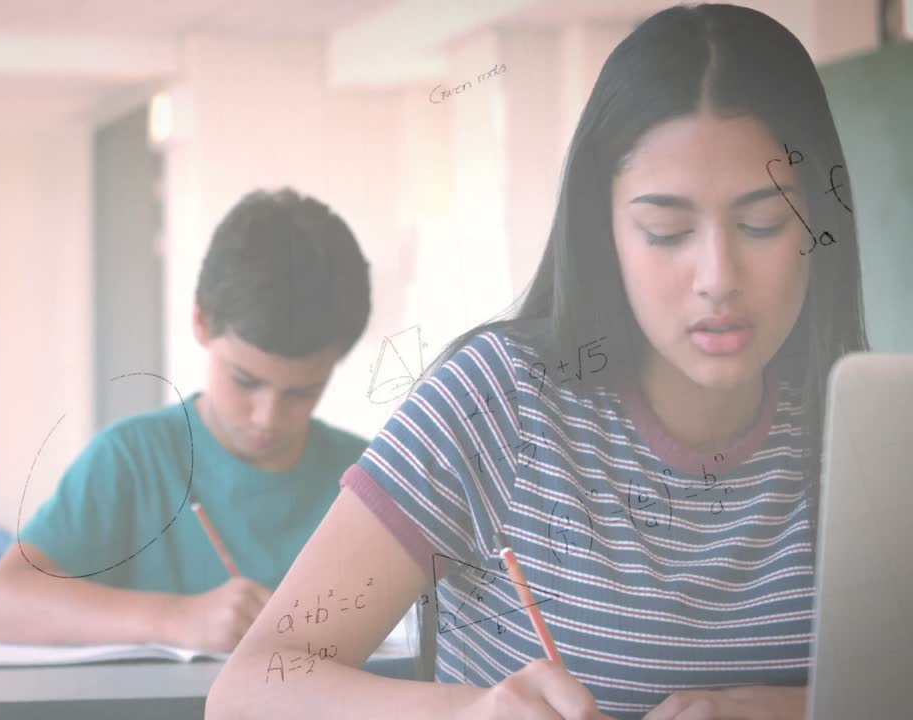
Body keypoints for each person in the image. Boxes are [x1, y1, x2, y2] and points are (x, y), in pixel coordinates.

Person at [208, 4, 867, 719]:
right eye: (666, 231)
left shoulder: (867, 427)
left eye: (762, 223)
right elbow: (250, 690)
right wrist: (473, 713)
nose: (717, 275)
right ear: (603, 231)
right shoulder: (500, 402)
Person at [0, 188, 373, 652]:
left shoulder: (364, 478)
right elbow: (2, 602)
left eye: (302, 392)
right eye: (245, 381)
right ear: (200, 322)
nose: (267, 417)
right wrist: (174, 618)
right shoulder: (132, 457)